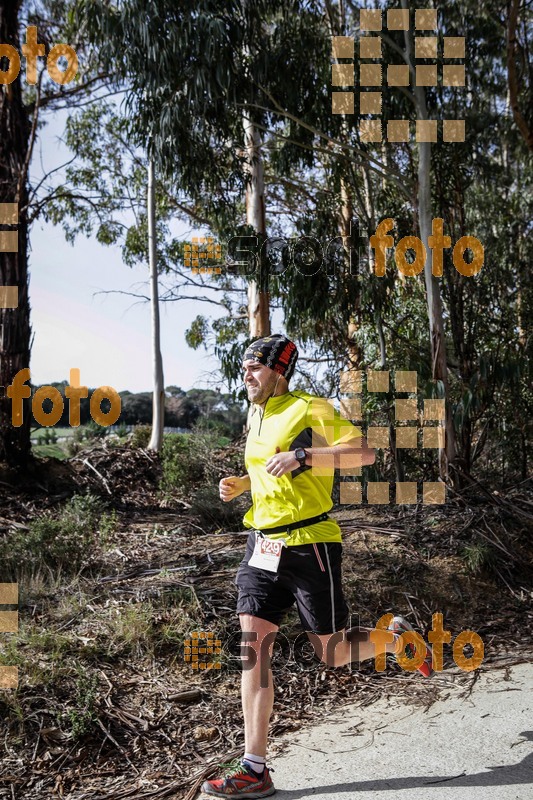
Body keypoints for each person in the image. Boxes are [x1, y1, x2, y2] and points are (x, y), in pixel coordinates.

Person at [201, 334, 433, 798]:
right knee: (254, 646)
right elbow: (274, 468)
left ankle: (395, 639)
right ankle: (254, 767)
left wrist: (305, 454)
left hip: (311, 545)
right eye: (244, 367)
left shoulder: (314, 408)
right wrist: (245, 483)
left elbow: (364, 453)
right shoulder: (257, 411)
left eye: (254, 368)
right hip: (262, 544)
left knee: (332, 652)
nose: (245, 375)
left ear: (278, 371)